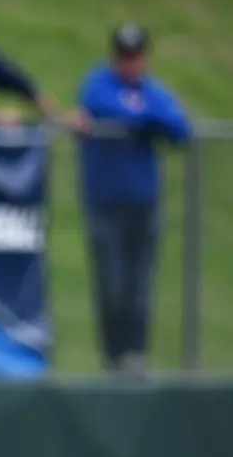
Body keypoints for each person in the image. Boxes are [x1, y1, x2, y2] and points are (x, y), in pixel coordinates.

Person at [76, 23, 194, 374]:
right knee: (111, 284)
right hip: (105, 204)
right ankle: (113, 356)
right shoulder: (98, 84)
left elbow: (179, 127)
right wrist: (143, 120)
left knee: (139, 285)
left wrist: (140, 117)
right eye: (124, 56)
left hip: (145, 205)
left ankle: (135, 356)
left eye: (136, 56)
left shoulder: (154, 92)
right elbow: (98, 106)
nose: (130, 63)